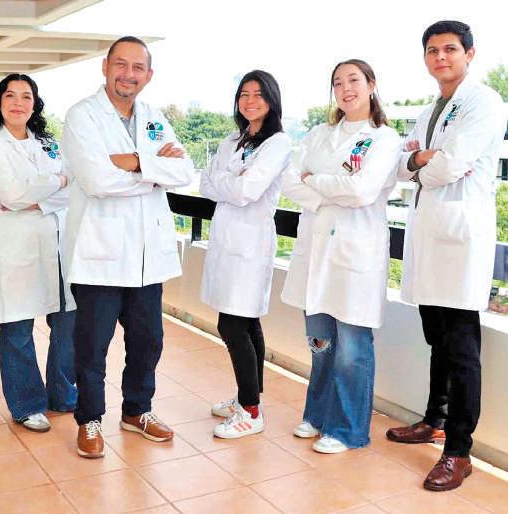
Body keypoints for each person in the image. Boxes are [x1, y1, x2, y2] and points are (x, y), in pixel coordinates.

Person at [385, 21, 507, 491]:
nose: (440, 57)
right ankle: (433, 419)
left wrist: (425, 163)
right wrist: (421, 160)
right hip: (430, 234)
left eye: (450, 49)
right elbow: (402, 164)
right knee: (436, 335)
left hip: (460, 236)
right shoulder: (430, 108)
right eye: (432, 50)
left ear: (469, 54)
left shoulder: (484, 102)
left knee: (461, 347)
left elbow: (451, 165)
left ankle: (458, 451)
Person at [62, 36, 193, 458]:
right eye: (121, 64)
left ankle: (137, 411)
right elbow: (97, 181)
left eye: (138, 67)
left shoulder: (154, 117)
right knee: (92, 347)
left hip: (146, 258)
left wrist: (135, 162)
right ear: (105, 67)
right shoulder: (82, 116)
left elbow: (184, 171)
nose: (128, 74)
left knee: (148, 342)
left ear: (149, 75)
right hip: (100, 256)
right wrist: (155, 171)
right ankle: (89, 419)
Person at [281, 59, 401, 454]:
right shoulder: (319, 134)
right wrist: (328, 193)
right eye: (337, 82)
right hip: (317, 252)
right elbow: (288, 180)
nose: (345, 88)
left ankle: (349, 430)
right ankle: (317, 416)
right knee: (321, 343)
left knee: (351, 348)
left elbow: (363, 191)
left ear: (371, 85)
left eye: (353, 80)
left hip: (355, 253)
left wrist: (314, 181)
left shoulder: (384, 138)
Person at [0, 73, 76, 432]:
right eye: (10, 96)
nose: (18, 103)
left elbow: (74, 187)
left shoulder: (48, 144)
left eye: (26, 96)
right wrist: (55, 184)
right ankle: (27, 404)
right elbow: (13, 195)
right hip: (15, 247)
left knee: (67, 322)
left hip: (57, 244)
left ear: (35, 104)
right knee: (17, 327)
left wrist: (39, 197)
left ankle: (64, 394)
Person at [199, 70, 291, 439]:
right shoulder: (232, 140)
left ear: (272, 99)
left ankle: (251, 411)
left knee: (233, 325)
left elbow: (247, 191)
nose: (250, 101)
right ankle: (246, 398)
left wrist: (229, 181)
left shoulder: (277, 143)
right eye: (244, 94)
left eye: (258, 94)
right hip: (227, 237)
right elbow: (206, 184)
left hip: (251, 242)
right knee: (247, 322)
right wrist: (232, 181)